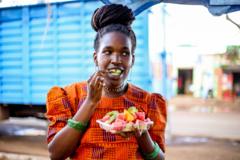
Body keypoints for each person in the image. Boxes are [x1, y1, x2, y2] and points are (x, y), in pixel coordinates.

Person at [46, 4, 167, 160]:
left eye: (124, 53)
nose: (116, 60)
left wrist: (141, 132)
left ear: (132, 60)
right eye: (108, 52)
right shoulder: (70, 96)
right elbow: (55, 154)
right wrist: (90, 102)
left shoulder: (148, 102)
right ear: (96, 58)